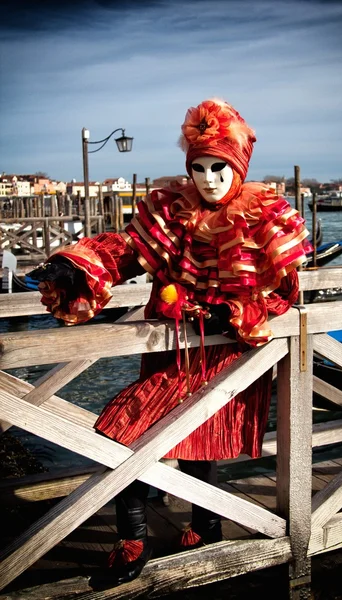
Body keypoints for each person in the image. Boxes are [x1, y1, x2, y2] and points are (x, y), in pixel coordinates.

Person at [29, 98, 309, 585]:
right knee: (127, 431)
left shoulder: (264, 220)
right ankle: (131, 538)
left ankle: (205, 526)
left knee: (206, 439)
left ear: (237, 166)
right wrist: (75, 267)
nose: (209, 179)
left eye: (219, 167)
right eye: (198, 168)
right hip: (171, 350)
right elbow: (129, 254)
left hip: (224, 355)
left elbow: (284, 295)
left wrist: (237, 308)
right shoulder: (170, 215)